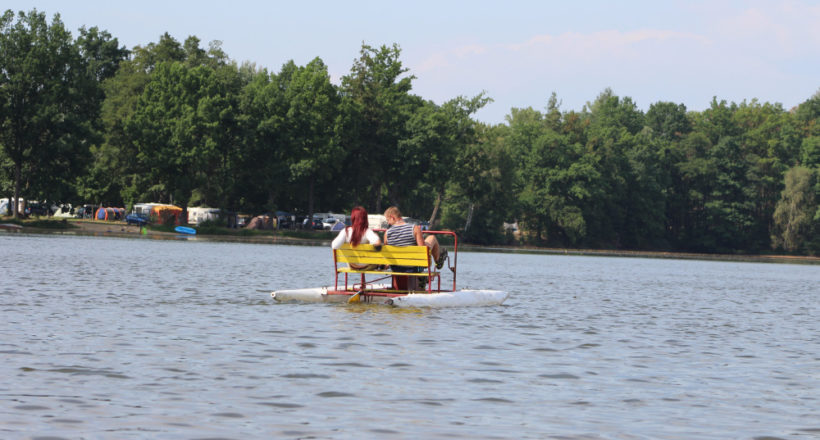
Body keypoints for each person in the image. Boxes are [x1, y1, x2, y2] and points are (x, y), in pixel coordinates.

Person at [383, 206, 447, 270]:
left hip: (396, 268)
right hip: (414, 267)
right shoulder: (414, 228)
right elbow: (422, 251)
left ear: (392, 217)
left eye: (388, 220)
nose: (388, 223)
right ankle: (438, 260)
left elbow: (387, 253)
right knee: (432, 237)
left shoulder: (387, 233)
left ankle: (438, 260)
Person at [331, 206, 382, 270]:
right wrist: (376, 236)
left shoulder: (345, 231)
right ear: (365, 218)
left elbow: (334, 245)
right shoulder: (367, 231)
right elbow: (377, 243)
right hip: (366, 265)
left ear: (353, 217)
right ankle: (382, 265)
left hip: (352, 266)